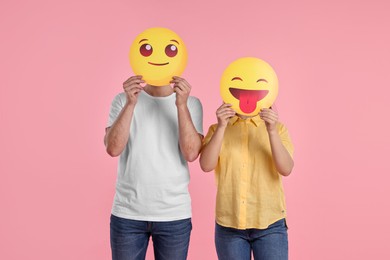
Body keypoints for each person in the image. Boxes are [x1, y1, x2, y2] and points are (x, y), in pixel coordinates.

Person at [105, 75, 203, 260]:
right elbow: (113, 148)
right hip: (128, 213)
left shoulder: (191, 103)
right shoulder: (122, 99)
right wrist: (130, 104)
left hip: (174, 213)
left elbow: (191, 153)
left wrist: (181, 105)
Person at [200, 103, 294, 260]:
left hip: (270, 224)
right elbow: (206, 165)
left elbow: (286, 168)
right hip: (229, 224)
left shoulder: (278, 129)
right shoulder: (217, 129)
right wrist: (222, 126)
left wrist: (271, 131)